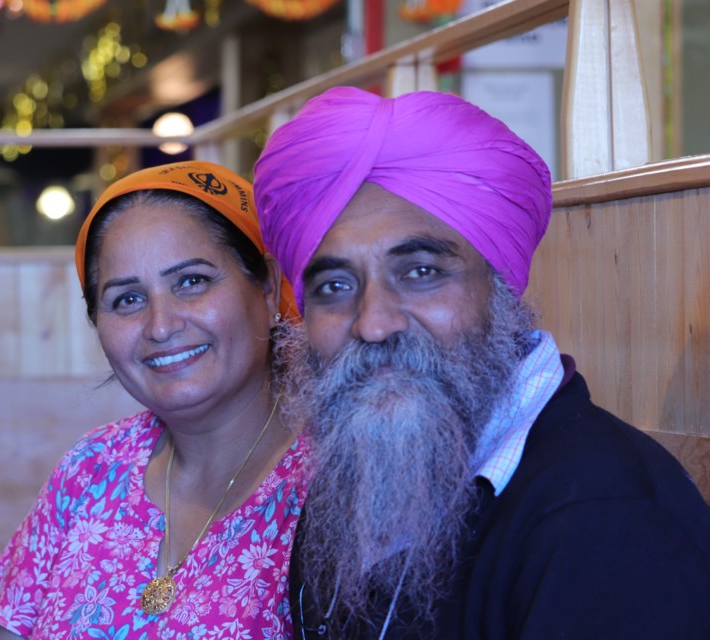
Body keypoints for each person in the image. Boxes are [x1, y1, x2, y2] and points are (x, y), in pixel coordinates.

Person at [252, 86, 710, 639]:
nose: (373, 323)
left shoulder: (605, 518)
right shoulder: (362, 467)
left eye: (421, 272)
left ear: (501, 289)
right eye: (335, 285)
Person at [0, 161, 308, 639]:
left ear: (265, 286)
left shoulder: (328, 488)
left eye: (192, 281)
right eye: (127, 300)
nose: (160, 325)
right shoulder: (90, 471)